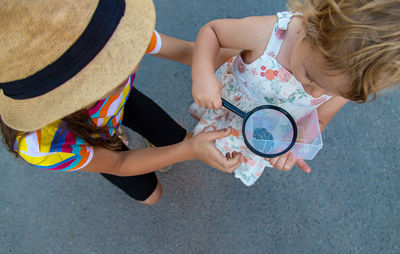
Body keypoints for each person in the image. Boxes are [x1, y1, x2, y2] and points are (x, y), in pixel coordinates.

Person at [0, 0, 242, 205]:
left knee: (182, 143)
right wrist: (188, 151)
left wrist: (248, 60)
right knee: (153, 195)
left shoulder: (116, 35)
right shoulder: (40, 144)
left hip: (118, 103)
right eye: (113, 68)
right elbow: (118, 163)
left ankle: (125, 133)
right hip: (91, 141)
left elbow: (188, 52)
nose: (132, 61)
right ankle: (116, 136)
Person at [190, 0, 400, 185]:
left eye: (330, 91)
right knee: (203, 137)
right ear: (308, 27)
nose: (316, 94)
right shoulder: (270, 34)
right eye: (311, 76)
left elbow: (318, 120)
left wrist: (293, 147)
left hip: (265, 132)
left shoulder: (347, 80)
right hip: (228, 103)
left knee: (227, 152)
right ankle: (188, 145)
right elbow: (213, 32)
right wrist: (202, 75)